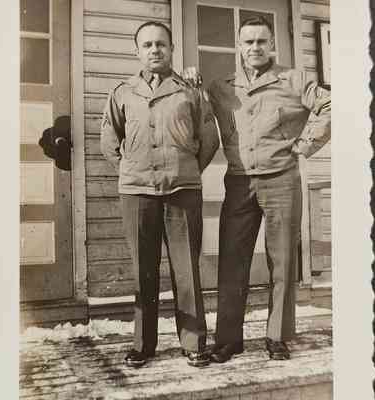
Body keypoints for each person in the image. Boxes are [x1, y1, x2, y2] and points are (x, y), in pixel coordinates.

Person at [185, 16, 331, 363]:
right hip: (238, 182)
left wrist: (305, 145)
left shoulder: (294, 80)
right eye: (248, 42)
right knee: (232, 260)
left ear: (272, 45)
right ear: (239, 46)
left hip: (281, 179)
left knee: (282, 260)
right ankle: (228, 340)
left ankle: (277, 337)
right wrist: (190, 80)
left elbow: (330, 105)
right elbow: (195, 106)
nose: (255, 48)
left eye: (261, 41)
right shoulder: (221, 88)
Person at [100, 21, 219, 368]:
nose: (155, 50)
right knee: (143, 271)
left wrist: (186, 169)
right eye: (148, 45)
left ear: (171, 49)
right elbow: (109, 139)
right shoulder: (123, 92)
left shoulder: (190, 91)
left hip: (182, 191)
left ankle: (194, 343)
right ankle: (143, 345)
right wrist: (132, 170)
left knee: (187, 270)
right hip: (137, 193)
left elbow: (209, 139)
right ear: (138, 51)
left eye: (161, 44)